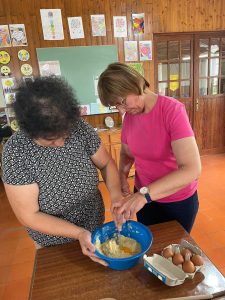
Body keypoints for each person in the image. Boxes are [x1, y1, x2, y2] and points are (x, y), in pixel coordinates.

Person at [2, 76, 123, 266]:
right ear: (30, 132)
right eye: (50, 140)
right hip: (54, 242)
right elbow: (29, 215)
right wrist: (78, 233)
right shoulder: (16, 152)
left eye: (64, 135)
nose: (60, 144)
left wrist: (116, 196)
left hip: (94, 226)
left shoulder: (79, 127)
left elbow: (106, 163)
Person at [97, 62, 201, 233]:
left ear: (134, 84)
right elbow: (127, 153)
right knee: (151, 251)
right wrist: (123, 175)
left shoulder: (172, 110)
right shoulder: (130, 117)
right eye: (116, 106)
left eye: (123, 101)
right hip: (144, 198)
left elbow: (192, 169)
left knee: (172, 252)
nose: (122, 110)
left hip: (176, 200)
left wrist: (144, 195)